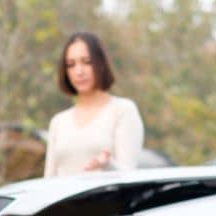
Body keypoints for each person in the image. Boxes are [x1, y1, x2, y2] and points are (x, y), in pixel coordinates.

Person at [44, 32, 144, 178]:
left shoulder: (123, 111)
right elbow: (49, 181)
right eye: (71, 65)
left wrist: (106, 165)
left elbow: (129, 177)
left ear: (101, 64)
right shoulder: (58, 121)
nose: (79, 71)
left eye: (87, 62)